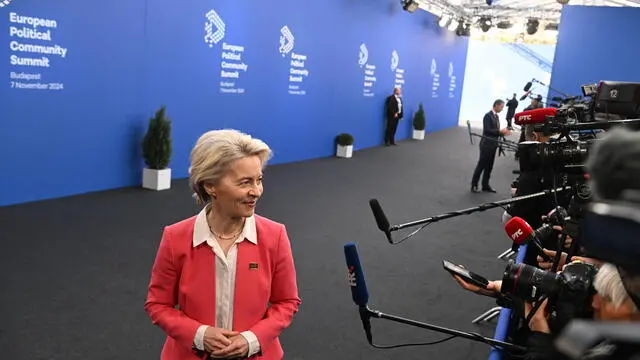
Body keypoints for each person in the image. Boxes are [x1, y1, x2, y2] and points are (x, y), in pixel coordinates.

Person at [144, 129, 302, 360]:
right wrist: (199, 334)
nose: (256, 191)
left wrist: (251, 340)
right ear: (210, 186)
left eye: (259, 180)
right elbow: (158, 305)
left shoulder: (275, 235)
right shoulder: (175, 237)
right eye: (245, 182)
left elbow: (287, 302)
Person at [471, 99, 511, 193]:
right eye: (501, 107)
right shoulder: (488, 116)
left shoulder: (496, 116)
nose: (502, 109)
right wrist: (500, 132)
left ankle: (485, 185)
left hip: (493, 145)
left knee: (489, 166)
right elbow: (487, 130)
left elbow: (495, 131)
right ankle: (474, 184)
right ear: (496, 105)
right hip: (486, 145)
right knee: (481, 165)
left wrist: (503, 133)